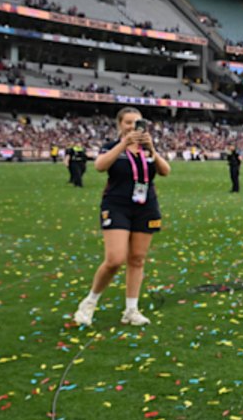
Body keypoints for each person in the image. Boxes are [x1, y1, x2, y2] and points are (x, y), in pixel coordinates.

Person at [73, 108, 171, 327]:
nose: (132, 126)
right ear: (119, 125)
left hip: (146, 206)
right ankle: (89, 303)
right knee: (115, 259)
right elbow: (99, 166)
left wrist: (152, 148)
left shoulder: (147, 149)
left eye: (136, 122)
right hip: (117, 205)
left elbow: (165, 171)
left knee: (137, 258)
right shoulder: (111, 147)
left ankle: (131, 310)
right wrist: (123, 144)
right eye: (127, 122)